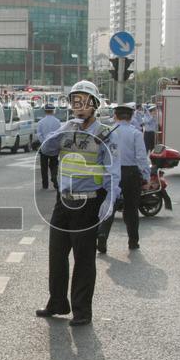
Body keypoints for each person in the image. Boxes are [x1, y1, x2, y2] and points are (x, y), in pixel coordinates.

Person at [36, 81, 120, 327]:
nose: (78, 105)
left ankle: (82, 311)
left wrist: (110, 201)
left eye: (84, 101)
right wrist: (63, 130)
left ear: (94, 105)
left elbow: (112, 172)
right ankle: (57, 302)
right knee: (57, 254)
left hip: (88, 204)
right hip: (64, 202)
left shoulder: (104, 134)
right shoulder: (67, 128)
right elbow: (47, 150)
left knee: (83, 258)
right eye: (75, 101)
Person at [97, 102, 151, 253]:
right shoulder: (136, 133)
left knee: (109, 206)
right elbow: (141, 157)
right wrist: (146, 176)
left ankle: (102, 235)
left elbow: (99, 154)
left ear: (115, 116)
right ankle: (133, 242)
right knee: (131, 209)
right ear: (132, 117)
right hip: (130, 173)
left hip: (111, 172)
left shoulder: (107, 132)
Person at [36, 103, 62, 190]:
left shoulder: (41, 122)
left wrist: (44, 142)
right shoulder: (57, 122)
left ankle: (45, 185)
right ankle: (54, 178)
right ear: (53, 111)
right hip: (55, 148)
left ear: (45, 111)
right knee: (54, 165)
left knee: (44, 167)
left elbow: (39, 135)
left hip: (44, 148)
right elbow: (59, 135)